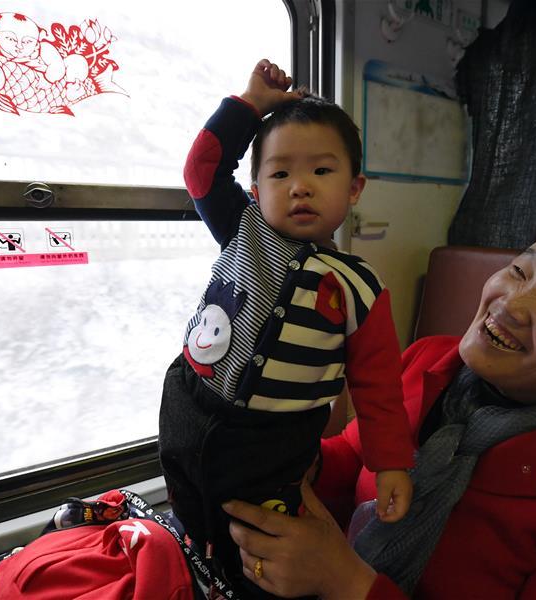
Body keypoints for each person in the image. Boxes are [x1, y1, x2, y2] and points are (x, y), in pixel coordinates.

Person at [222, 206, 536, 598]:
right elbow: (353, 459)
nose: (510, 305)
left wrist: (345, 583)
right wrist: (291, 460)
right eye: (520, 271)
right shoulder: (427, 363)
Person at [157, 59, 414, 594]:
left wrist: (390, 463)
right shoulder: (243, 227)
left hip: (269, 445)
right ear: (255, 190)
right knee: (190, 512)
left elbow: (379, 389)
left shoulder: (359, 286)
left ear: (354, 188)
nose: (300, 187)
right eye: (280, 175)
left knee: (255, 542)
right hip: (189, 402)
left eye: (321, 172)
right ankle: (196, 567)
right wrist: (251, 105)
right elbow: (201, 170)